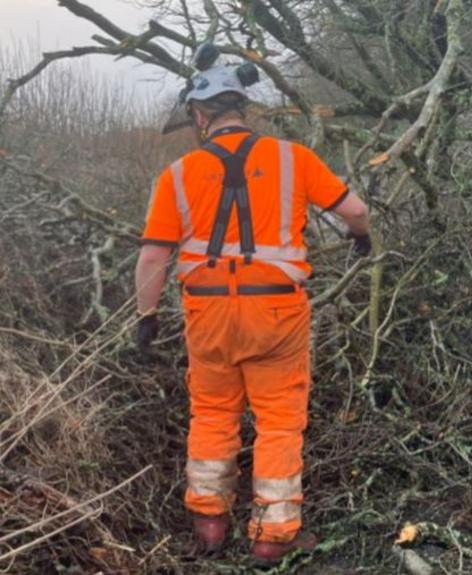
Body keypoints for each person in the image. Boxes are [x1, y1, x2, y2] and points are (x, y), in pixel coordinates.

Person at [133, 46, 372, 563]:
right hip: (278, 316)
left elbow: (154, 255)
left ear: (200, 117)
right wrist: (361, 238)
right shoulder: (294, 158)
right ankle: (272, 535)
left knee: (214, 412)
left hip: (209, 314)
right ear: (243, 107)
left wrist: (146, 317)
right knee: (279, 422)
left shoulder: (177, 175)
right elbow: (356, 210)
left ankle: (210, 521)